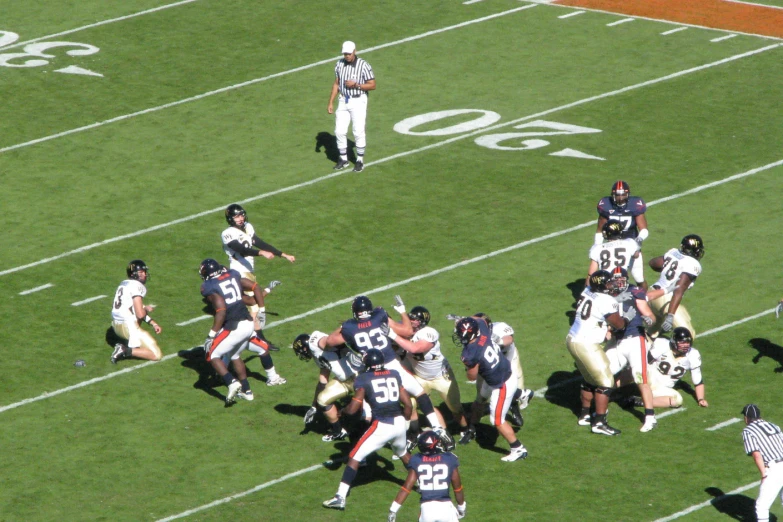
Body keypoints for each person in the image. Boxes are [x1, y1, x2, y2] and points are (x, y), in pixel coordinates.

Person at [324, 295, 449, 440]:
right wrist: (402, 312)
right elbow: (408, 331)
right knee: (419, 394)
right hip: (391, 364)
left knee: (370, 410)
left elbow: (330, 341)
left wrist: (345, 327)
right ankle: (437, 427)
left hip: (369, 371)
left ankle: (367, 444)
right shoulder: (379, 316)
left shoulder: (349, 327)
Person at [323, 349, 413, 511]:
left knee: (354, 456)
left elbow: (352, 410)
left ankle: (340, 497)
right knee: (403, 453)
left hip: (382, 425)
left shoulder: (364, 379)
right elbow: (408, 404)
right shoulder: (393, 374)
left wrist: (342, 411)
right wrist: (405, 421)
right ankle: (421, 483)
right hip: (399, 422)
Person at [199, 259, 285, 404]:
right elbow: (252, 297)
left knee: (212, 354)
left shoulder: (209, 287)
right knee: (243, 352)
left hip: (234, 326)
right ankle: (249, 390)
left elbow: (221, 311)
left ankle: (231, 382)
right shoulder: (233, 275)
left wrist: (211, 335)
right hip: (248, 324)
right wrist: (265, 299)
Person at [389, 306, 469, 441]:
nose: (410, 321)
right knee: (423, 405)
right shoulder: (404, 330)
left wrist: (393, 335)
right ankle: (442, 433)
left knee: (455, 408)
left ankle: (466, 429)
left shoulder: (428, 332)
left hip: (441, 377)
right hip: (420, 377)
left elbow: (415, 348)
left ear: (421, 322)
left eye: (414, 319)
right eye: (410, 318)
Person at [222, 203, 294, 350]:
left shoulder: (248, 227)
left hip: (249, 271)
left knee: (250, 306)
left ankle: (250, 337)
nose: (241, 218)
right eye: (237, 216)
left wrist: (282, 254)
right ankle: (260, 340)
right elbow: (241, 249)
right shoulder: (227, 233)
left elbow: (259, 242)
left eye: (242, 215)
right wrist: (260, 253)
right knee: (253, 307)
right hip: (239, 271)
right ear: (230, 218)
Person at [454, 316, 527, 462]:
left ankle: (518, 448)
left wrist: (468, 367)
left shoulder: (469, 354)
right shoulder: (483, 330)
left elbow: (472, 377)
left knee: (497, 420)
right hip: (502, 373)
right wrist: (467, 320)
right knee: (479, 400)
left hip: (501, 384)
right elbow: (481, 319)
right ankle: (472, 427)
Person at [566, 270, 627, 435]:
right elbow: (619, 324)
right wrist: (626, 318)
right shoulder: (606, 300)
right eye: (608, 283)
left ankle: (585, 414)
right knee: (606, 382)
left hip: (572, 339)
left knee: (589, 379)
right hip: (586, 344)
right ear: (601, 285)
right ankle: (599, 422)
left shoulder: (587, 291)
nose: (612, 285)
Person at [603, 267, 658, 432]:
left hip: (635, 339)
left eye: (622, 279)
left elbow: (649, 314)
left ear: (626, 280)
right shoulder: (606, 294)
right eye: (616, 279)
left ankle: (650, 416)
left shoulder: (634, 291)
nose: (619, 282)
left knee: (640, 377)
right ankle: (600, 410)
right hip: (617, 341)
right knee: (603, 374)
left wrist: (649, 319)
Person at [293, 331, 364, 441]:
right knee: (322, 399)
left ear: (305, 348)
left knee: (367, 410)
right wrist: (314, 406)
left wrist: (342, 329)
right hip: (344, 380)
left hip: (358, 377)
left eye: (301, 351)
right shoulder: (316, 353)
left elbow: (328, 341)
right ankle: (337, 431)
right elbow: (323, 380)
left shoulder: (315, 343)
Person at [387, 430, 466, 522]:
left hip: (426, 510)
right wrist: (461, 507)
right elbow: (457, 488)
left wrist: (393, 510)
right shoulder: (449, 459)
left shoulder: (417, 460)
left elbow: (406, 487)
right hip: (446, 508)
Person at [624, 327, 707, 409]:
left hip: (662, 388)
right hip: (650, 378)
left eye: (687, 342)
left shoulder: (693, 355)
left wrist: (701, 399)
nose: (685, 345)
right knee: (638, 368)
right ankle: (614, 388)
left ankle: (639, 401)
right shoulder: (663, 344)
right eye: (682, 342)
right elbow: (644, 362)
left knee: (677, 400)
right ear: (674, 341)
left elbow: (698, 381)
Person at [327, 40, 376, 173]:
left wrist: (357, 85)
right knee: (339, 131)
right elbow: (337, 84)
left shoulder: (363, 65)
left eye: (349, 53)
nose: (347, 56)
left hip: (358, 100)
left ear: (354, 51)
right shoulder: (339, 65)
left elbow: (372, 85)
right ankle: (343, 159)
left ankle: (359, 161)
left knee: (358, 131)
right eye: (345, 53)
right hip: (343, 99)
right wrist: (331, 101)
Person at [646, 234, 704, 338]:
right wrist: (670, 315)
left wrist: (666, 267)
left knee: (651, 333)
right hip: (665, 299)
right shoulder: (693, 264)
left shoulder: (673, 252)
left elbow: (653, 263)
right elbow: (678, 290)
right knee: (688, 335)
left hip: (652, 293)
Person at [594, 180, 649, 288]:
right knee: (608, 276)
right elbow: (599, 230)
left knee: (639, 277)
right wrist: (597, 246)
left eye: (623, 195)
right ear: (613, 195)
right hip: (612, 245)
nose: (620, 198)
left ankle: (644, 299)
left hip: (630, 242)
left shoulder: (635, 205)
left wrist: (638, 241)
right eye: (617, 195)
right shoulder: (606, 205)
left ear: (628, 194)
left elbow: (644, 229)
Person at [110, 260, 163, 364]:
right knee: (157, 355)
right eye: (141, 272)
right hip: (127, 328)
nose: (144, 274)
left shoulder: (124, 283)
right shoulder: (137, 286)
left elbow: (133, 308)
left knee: (138, 309)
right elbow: (140, 313)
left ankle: (126, 346)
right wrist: (146, 309)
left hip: (116, 326)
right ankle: (124, 350)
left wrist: (153, 323)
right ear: (134, 274)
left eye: (144, 272)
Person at [741, 404, 783, 522]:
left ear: (746, 417)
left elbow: (756, 454)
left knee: (761, 507)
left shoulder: (748, 430)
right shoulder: (773, 425)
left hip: (775, 468)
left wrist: (764, 474)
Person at [587, 220, 640, 287]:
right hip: (621, 282)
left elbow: (591, 274)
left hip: (605, 283)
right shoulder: (629, 243)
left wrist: (587, 289)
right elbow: (636, 255)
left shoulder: (597, 248)